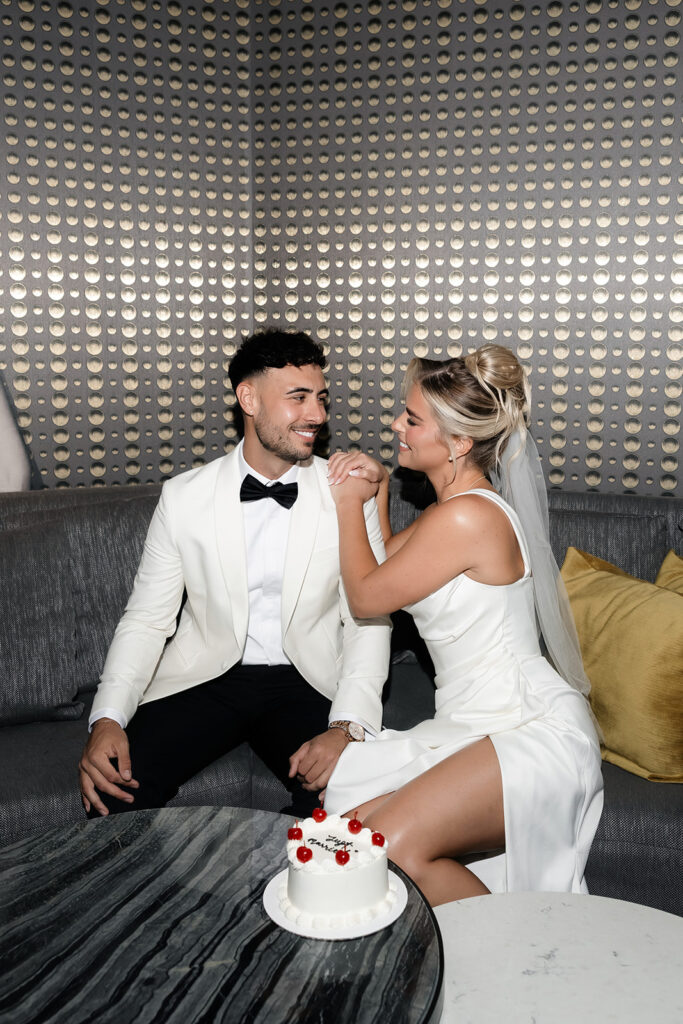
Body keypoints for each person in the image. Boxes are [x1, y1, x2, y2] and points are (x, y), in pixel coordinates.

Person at [324, 344, 603, 906]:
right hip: (477, 723)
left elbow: (365, 595)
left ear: (458, 443)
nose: (396, 425)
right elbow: (385, 569)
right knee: (345, 835)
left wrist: (343, 502)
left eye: (412, 419)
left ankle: (508, 969)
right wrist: (378, 492)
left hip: (526, 729)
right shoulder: (452, 512)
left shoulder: (468, 516)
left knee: (388, 847)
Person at [79, 328, 391, 819]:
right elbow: (146, 619)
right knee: (117, 793)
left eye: (321, 398)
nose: (318, 415)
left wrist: (347, 727)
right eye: (298, 398)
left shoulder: (349, 493)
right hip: (206, 676)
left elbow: (369, 622)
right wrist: (107, 718)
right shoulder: (183, 497)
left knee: (342, 804)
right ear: (248, 398)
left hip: (308, 679)